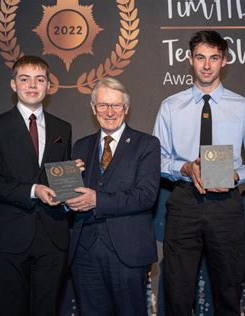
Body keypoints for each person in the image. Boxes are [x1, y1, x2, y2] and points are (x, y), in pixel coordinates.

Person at [153, 30, 245, 315]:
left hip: (226, 204)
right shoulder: (170, 106)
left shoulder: (243, 107)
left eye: (214, 58)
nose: (206, 65)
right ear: (190, 60)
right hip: (184, 202)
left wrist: (236, 176)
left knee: (228, 289)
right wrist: (185, 167)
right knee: (177, 292)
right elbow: (158, 160)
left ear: (224, 61)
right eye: (200, 57)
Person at [0, 55, 72, 315]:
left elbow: (60, 181)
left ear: (49, 85)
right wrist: (33, 191)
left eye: (39, 79)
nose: (32, 85)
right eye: (25, 79)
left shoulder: (63, 128)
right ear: (13, 85)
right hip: (8, 238)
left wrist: (71, 184)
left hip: (52, 239)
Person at [65, 77, 160, 316]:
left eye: (116, 105)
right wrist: (65, 193)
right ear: (93, 108)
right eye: (103, 105)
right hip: (85, 254)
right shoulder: (80, 146)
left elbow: (146, 196)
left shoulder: (146, 144)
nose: (109, 112)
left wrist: (97, 200)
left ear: (126, 109)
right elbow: (70, 197)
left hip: (127, 253)